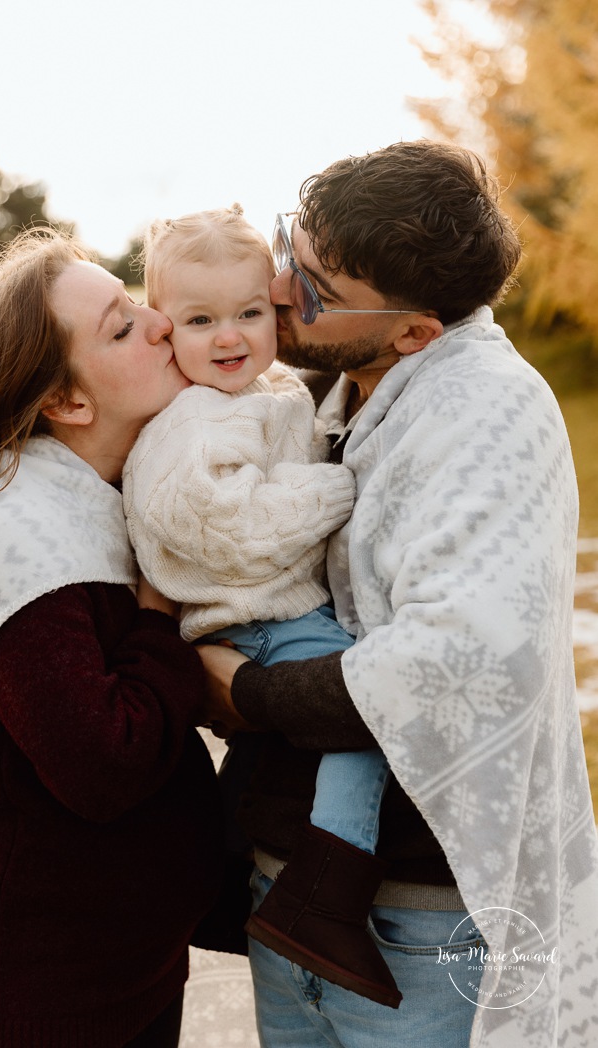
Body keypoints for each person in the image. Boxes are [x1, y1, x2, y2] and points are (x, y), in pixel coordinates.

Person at [196, 141, 598, 1048]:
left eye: (316, 286)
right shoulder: (314, 387)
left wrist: (243, 695)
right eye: (288, 246)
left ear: (415, 331)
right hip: (282, 886)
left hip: (416, 921)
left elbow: (453, 659)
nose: (281, 281)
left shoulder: (487, 413)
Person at [0, 229, 224, 1048]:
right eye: (120, 327)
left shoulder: (117, 496)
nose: (160, 324)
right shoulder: (18, 537)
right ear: (67, 403)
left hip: (129, 967)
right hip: (46, 1002)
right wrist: (157, 619)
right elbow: (102, 765)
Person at [122, 206, 402, 1006]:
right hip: (254, 612)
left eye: (249, 313)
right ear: (160, 326)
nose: (229, 336)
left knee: (269, 756)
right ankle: (326, 890)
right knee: (360, 719)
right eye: (199, 320)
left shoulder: (259, 391)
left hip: (265, 605)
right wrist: (337, 487)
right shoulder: (200, 416)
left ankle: (224, 873)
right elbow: (220, 522)